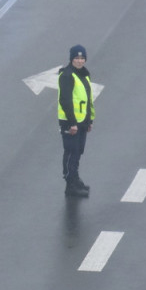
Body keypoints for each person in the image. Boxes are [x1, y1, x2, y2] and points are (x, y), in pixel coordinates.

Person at [58, 45, 95, 197]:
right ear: (71, 59)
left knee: (78, 151)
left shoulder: (84, 74)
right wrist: (72, 122)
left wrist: (89, 120)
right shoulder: (67, 75)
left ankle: (75, 178)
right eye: (77, 58)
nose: (80, 61)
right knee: (71, 151)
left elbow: (87, 99)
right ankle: (70, 184)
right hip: (70, 122)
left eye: (82, 58)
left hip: (82, 121)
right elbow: (65, 100)